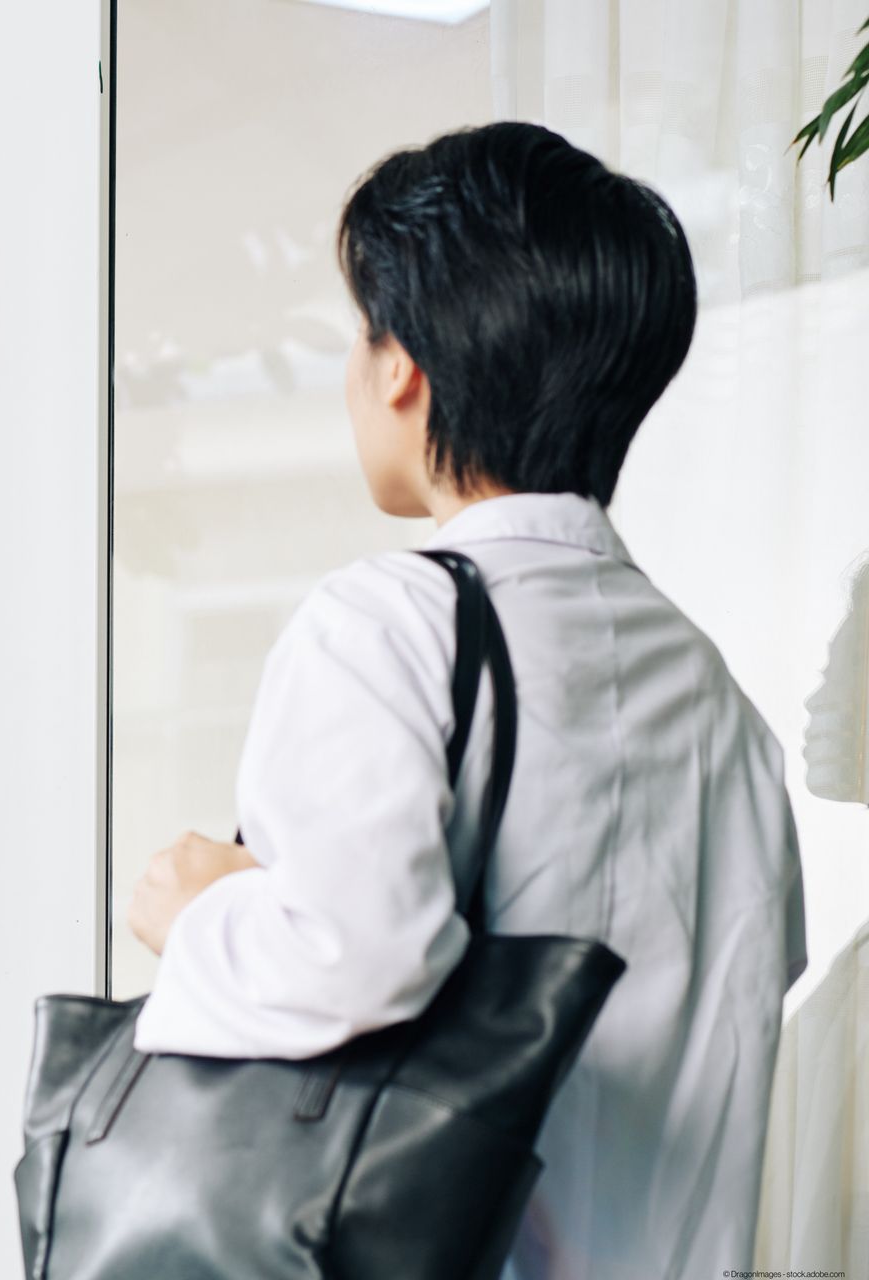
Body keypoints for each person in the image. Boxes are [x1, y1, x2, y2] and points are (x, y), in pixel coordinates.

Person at [125, 122, 805, 1278]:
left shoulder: (386, 622)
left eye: (361, 328)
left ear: (401, 364)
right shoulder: (720, 705)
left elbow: (355, 956)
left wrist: (196, 911)